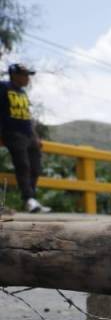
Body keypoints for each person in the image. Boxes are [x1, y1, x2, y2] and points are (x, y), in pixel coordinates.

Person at [1, 64, 49, 212]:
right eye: (25, 75)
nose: (28, 78)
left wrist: (36, 136)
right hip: (13, 132)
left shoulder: (22, 92)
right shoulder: (3, 87)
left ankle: (32, 199)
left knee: (36, 167)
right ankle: (28, 199)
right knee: (23, 165)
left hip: (29, 134)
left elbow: (27, 116)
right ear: (15, 75)